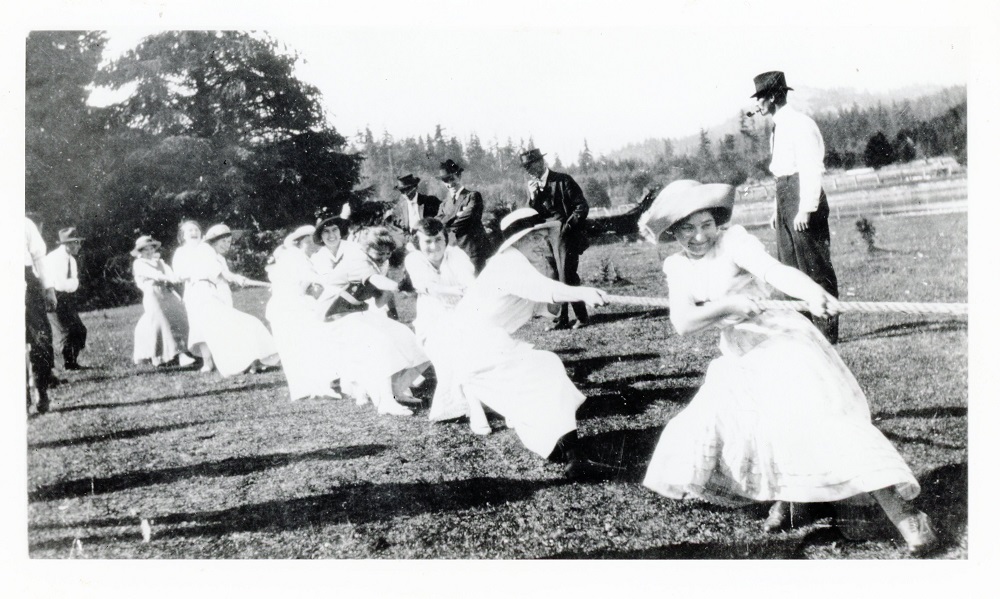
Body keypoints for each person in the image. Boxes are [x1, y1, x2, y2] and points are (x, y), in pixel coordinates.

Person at [639, 179, 938, 556]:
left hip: (782, 343)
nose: (700, 236)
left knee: (826, 424)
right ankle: (791, 499)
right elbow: (683, 321)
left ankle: (907, 517)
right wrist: (729, 307)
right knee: (734, 425)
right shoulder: (678, 266)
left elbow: (773, 272)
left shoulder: (733, 242)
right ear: (673, 232)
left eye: (706, 224)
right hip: (740, 355)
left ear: (717, 221)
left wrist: (812, 292)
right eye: (687, 228)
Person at [424, 208, 614, 479]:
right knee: (545, 370)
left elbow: (543, 305)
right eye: (533, 237)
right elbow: (544, 291)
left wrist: (566, 294)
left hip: (481, 346)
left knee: (534, 388)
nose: (541, 242)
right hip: (474, 347)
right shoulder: (508, 263)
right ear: (516, 242)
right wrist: (581, 292)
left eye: (542, 236)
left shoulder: (521, 265)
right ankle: (572, 456)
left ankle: (563, 453)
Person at [751, 70, 839, 343]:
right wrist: (777, 210)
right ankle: (804, 332)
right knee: (789, 266)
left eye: (761, 98)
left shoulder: (800, 124)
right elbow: (782, 172)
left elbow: (810, 168)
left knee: (814, 264)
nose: (758, 105)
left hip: (802, 194)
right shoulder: (777, 128)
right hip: (785, 195)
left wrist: (806, 207)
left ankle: (827, 334)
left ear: (775, 96)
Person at [315, 226, 431, 416]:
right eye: (379, 253)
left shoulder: (382, 263)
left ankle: (395, 391)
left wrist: (394, 286)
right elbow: (375, 280)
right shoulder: (357, 259)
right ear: (366, 248)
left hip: (355, 311)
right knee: (381, 343)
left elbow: (378, 302)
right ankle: (385, 402)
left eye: (387, 253)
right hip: (332, 315)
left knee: (404, 335)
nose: (383, 257)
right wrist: (400, 286)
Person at [171, 221, 279, 376]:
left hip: (209, 293)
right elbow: (221, 274)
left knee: (232, 326)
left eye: (229, 241)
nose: (227, 245)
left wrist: (240, 279)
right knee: (237, 324)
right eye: (223, 241)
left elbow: (224, 274)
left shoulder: (212, 254)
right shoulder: (203, 250)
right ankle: (243, 362)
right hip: (201, 295)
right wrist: (238, 278)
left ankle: (248, 362)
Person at [265, 225, 342, 400]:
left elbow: (307, 283)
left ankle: (315, 386)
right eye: (309, 240)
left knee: (306, 344)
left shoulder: (305, 258)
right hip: (288, 307)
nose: (313, 243)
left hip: (293, 304)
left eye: (315, 239)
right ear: (300, 242)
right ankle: (312, 388)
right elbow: (311, 278)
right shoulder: (293, 256)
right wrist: (334, 283)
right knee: (303, 344)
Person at [520, 148, 591, 330]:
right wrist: (533, 197)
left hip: (565, 235)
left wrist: (567, 227)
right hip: (545, 237)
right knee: (552, 277)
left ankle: (582, 317)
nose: (529, 169)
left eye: (531, 165)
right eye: (526, 167)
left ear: (541, 163)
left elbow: (581, 206)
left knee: (566, 276)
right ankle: (561, 318)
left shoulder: (563, 180)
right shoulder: (532, 187)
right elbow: (529, 214)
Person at [403, 217, 476, 346]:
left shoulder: (456, 254)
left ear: (446, 240)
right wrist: (455, 290)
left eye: (438, 240)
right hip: (432, 317)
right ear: (418, 244)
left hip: (462, 313)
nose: (434, 246)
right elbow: (427, 286)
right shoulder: (413, 259)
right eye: (427, 241)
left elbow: (468, 280)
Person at [130, 235, 193, 367]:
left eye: (151, 248)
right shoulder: (139, 263)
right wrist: (168, 278)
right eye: (145, 249)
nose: (149, 251)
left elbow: (171, 274)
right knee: (165, 321)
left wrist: (178, 277)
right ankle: (178, 354)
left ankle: (185, 351)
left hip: (166, 293)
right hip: (152, 294)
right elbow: (155, 275)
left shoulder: (160, 262)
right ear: (140, 252)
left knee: (180, 315)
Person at [436, 159, 494, 273]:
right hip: (454, 252)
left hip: (473, 251)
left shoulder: (472, 196)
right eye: (445, 180)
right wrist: (457, 215)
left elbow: (469, 218)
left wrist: (447, 223)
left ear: (459, 176)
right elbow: (438, 223)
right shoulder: (443, 204)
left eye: (452, 178)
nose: (450, 184)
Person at [25, 216, 57, 414]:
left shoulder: (24, 223)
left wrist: (49, 288)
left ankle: (41, 390)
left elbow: (40, 258)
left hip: (26, 282)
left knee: (41, 340)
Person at [43, 227, 88, 370]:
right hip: (52, 297)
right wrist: (69, 284)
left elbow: (75, 283)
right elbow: (60, 284)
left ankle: (72, 361)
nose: (79, 246)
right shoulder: (54, 258)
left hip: (66, 298)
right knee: (65, 331)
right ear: (66, 244)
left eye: (79, 242)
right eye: (76, 242)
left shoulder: (72, 260)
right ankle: (68, 364)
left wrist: (69, 284)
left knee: (79, 329)